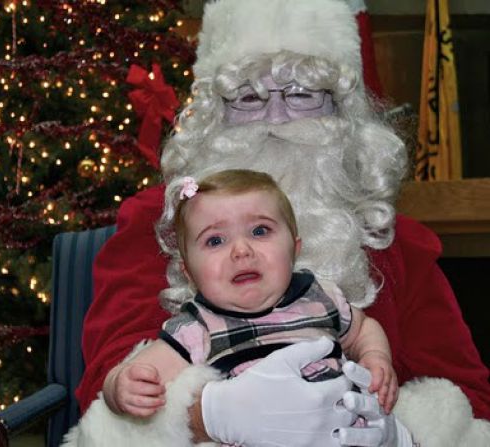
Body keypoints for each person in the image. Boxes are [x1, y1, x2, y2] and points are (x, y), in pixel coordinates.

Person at [74, 0, 490, 445]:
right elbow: (110, 386)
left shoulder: (394, 240)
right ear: (214, 114)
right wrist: (208, 415)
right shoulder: (162, 223)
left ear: (341, 111)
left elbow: (471, 400)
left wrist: (399, 435)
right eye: (248, 97)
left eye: (302, 94)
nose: (275, 119)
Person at [102, 169, 398, 424]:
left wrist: (375, 357)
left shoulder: (320, 297)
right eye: (215, 240)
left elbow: (363, 329)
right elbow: (143, 372)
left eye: (260, 231)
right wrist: (120, 387)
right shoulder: (198, 328)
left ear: (294, 250)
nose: (241, 250)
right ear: (189, 272)